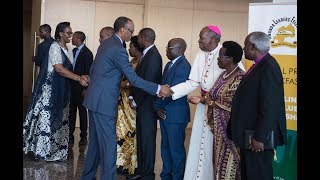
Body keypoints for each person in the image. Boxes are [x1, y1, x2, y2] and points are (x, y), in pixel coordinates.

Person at [80, 16, 172, 180]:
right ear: (122, 30)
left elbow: (94, 70)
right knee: (109, 145)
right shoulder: (118, 49)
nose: (132, 34)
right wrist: (158, 88)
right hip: (104, 103)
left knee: (94, 143)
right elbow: (134, 79)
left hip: (94, 100)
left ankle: (87, 176)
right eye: (131, 30)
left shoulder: (106, 43)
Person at [167, 25, 245, 180]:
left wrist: (207, 100)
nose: (199, 41)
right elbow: (192, 82)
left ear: (213, 39)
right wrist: (170, 91)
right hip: (203, 107)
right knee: (198, 146)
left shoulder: (227, 54)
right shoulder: (200, 54)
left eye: (202, 37)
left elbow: (238, 84)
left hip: (220, 114)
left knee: (213, 149)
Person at [23, 21, 87, 162]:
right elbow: (58, 68)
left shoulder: (69, 49)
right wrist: (78, 78)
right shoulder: (54, 47)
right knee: (45, 119)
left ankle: (55, 151)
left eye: (71, 33)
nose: (71, 35)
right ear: (60, 34)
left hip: (63, 89)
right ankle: (39, 151)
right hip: (50, 89)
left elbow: (69, 69)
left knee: (61, 118)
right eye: (68, 33)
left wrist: (82, 77)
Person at [228, 31, 287, 180]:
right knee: (249, 174)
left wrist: (260, 137)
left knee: (258, 175)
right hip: (249, 134)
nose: (243, 48)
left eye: (245, 45)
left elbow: (270, 107)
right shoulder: (259, 65)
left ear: (253, 46)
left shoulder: (269, 67)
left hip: (257, 138)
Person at [189, 41, 245, 179]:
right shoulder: (223, 75)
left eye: (220, 56)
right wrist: (202, 99)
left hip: (231, 132)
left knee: (230, 166)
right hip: (219, 133)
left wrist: (210, 101)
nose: (218, 59)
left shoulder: (240, 77)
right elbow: (211, 94)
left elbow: (232, 103)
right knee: (219, 166)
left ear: (230, 59)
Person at [154, 38, 191, 180]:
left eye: (170, 48)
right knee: (165, 147)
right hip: (165, 113)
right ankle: (166, 175)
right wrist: (158, 108)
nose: (167, 50)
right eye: (167, 47)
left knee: (176, 151)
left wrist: (156, 106)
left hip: (176, 114)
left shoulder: (183, 66)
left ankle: (177, 177)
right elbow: (163, 88)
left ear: (180, 50)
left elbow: (172, 92)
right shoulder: (169, 64)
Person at [129, 27, 163, 180]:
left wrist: (137, 100)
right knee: (142, 140)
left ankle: (148, 175)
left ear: (143, 38)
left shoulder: (154, 56)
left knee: (148, 142)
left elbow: (148, 82)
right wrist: (133, 97)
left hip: (147, 105)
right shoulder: (146, 54)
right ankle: (141, 172)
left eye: (139, 38)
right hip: (142, 104)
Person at [116, 35, 143, 176]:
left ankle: (129, 164)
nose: (129, 49)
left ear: (136, 48)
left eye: (131, 47)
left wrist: (124, 84)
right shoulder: (132, 61)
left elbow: (137, 82)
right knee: (121, 132)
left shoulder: (141, 63)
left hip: (130, 103)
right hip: (123, 101)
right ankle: (120, 162)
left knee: (129, 133)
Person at [69, 31, 93, 145]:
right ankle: (70, 135)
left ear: (78, 39)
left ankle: (83, 136)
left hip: (81, 88)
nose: (71, 39)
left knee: (83, 112)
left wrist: (86, 89)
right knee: (71, 112)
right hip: (72, 86)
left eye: (73, 37)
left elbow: (88, 72)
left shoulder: (88, 53)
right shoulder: (73, 51)